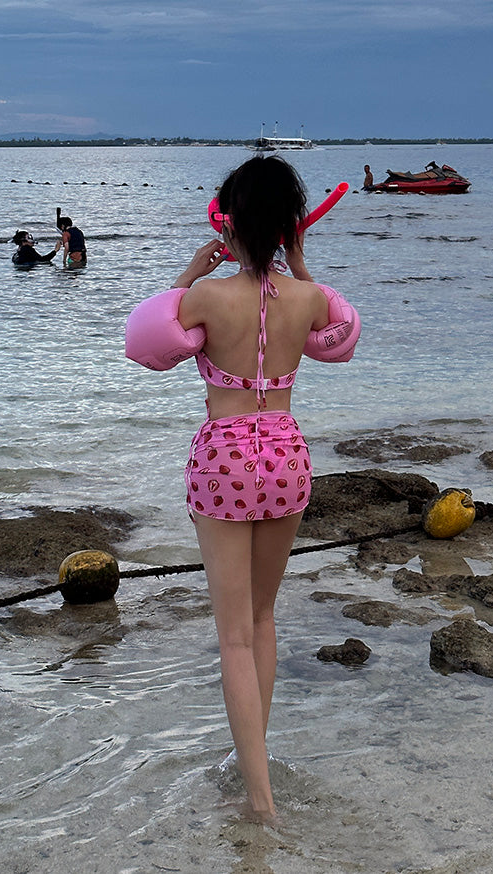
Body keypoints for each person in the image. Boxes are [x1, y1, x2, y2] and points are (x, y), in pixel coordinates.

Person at [125, 156, 360, 822]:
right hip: (285, 455)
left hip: (225, 459)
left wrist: (190, 273)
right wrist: (303, 265)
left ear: (227, 224)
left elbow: (148, 343)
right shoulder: (307, 300)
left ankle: (259, 798)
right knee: (262, 620)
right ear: (290, 227)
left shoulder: (207, 299)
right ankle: (251, 755)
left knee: (233, 635)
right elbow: (341, 337)